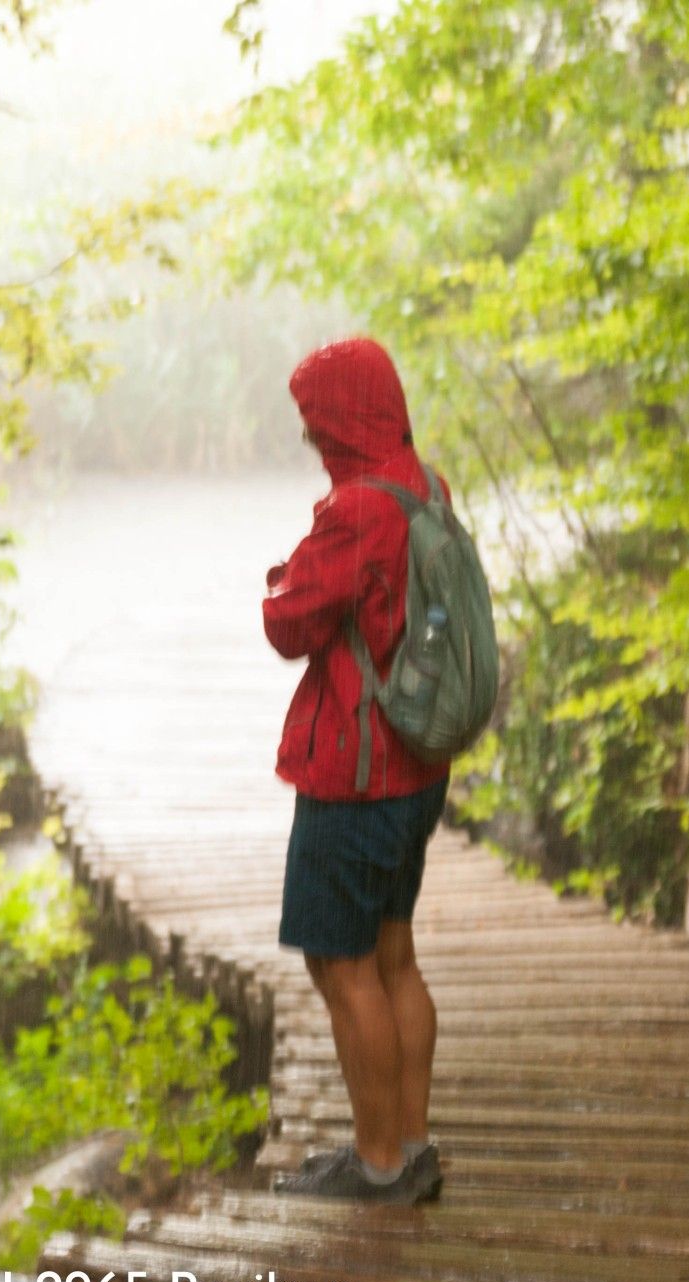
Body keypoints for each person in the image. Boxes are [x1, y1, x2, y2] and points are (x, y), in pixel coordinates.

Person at [261, 336, 449, 1204]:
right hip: (416, 766)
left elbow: (289, 622)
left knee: (343, 968)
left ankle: (376, 1164)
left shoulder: (357, 510)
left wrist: (282, 577)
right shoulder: (426, 488)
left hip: (356, 770)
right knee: (394, 956)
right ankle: (409, 1146)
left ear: (345, 415)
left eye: (316, 420)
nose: (311, 436)